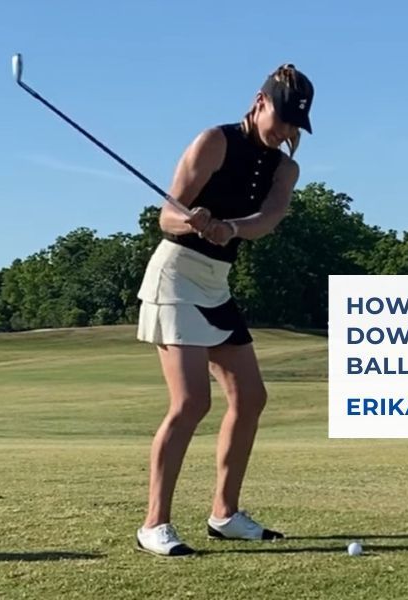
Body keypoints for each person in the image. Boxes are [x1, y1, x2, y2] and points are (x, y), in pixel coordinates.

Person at [135, 63, 315, 557]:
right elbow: (166, 215)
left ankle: (225, 514)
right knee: (192, 401)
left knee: (251, 397)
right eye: (280, 118)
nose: (285, 132)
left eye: (294, 125)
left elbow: (268, 218)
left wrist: (232, 229)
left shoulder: (285, 167)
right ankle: (154, 525)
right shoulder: (214, 141)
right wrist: (193, 222)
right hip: (176, 275)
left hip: (217, 283)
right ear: (260, 102)